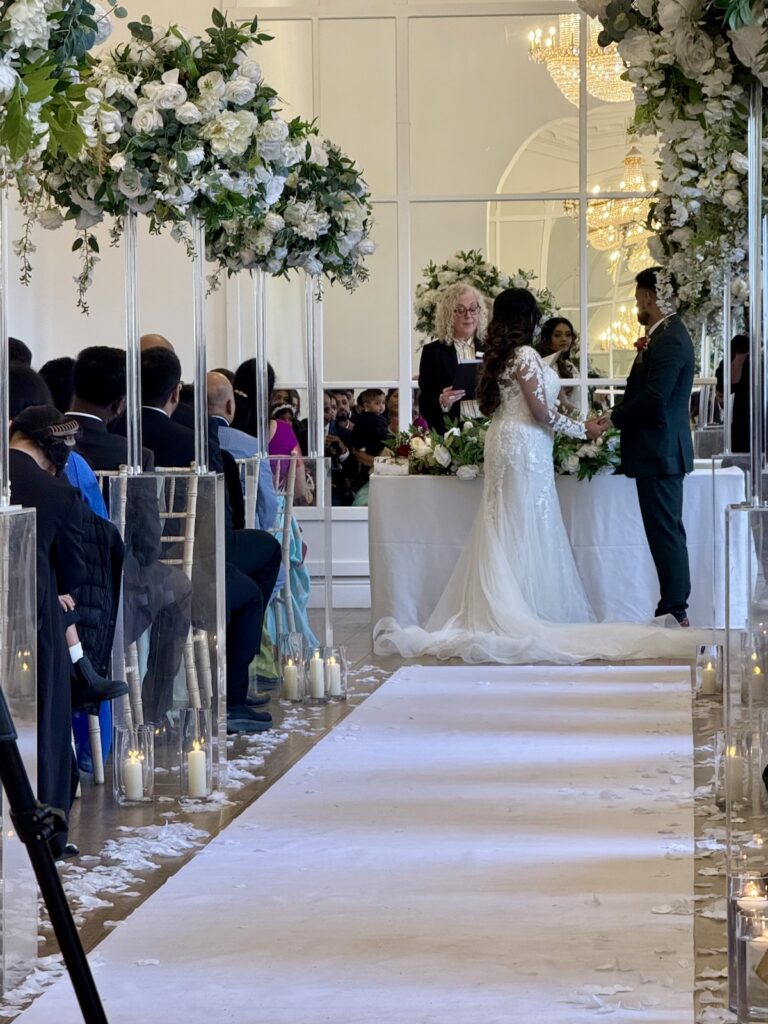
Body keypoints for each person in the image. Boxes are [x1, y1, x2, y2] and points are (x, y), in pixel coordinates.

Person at [374, 287, 701, 664]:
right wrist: (584, 429)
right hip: (524, 445)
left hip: (509, 440)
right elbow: (541, 413)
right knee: (526, 522)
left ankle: (514, 601)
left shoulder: (501, 354)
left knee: (507, 521)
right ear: (527, 319)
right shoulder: (524, 354)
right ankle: (525, 609)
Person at [597, 267, 695, 626]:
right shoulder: (662, 335)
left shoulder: (670, 338)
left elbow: (655, 399)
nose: (636, 305)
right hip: (656, 450)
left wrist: (610, 420)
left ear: (648, 297)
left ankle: (674, 608)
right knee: (663, 530)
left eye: (637, 298)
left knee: (666, 531)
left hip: (661, 451)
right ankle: (672, 605)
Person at [417, 282, 488, 431]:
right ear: (449, 314)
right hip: (451, 431)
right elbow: (424, 402)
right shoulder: (433, 352)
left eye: (473, 309)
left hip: (487, 428)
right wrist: (442, 401)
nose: (468, 315)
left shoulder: (491, 348)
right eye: (460, 310)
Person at [715, 333, 750, 453]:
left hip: (744, 420)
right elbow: (725, 390)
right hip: (740, 419)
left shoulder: (756, 363)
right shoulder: (726, 366)